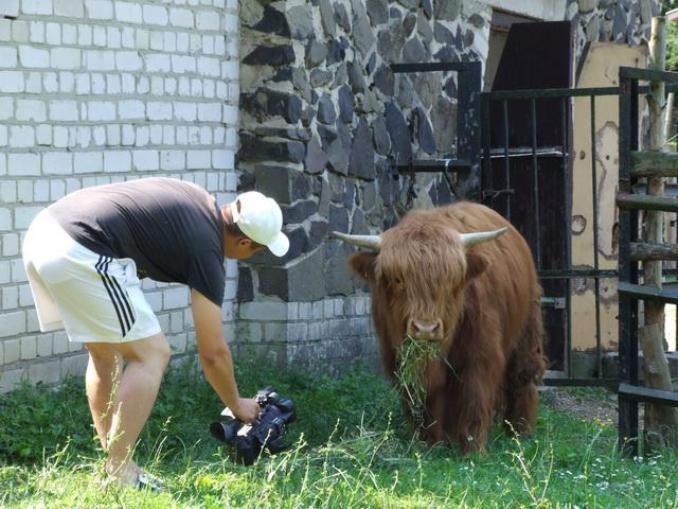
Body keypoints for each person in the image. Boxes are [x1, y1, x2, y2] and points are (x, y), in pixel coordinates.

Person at [21, 177, 289, 488]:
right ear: (244, 243)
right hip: (81, 246)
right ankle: (119, 469)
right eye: (258, 251)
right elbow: (213, 353)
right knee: (152, 354)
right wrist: (237, 404)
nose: (253, 255)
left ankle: (113, 462)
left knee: (105, 352)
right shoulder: (207, 248)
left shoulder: (198, 200)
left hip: (44, 233)